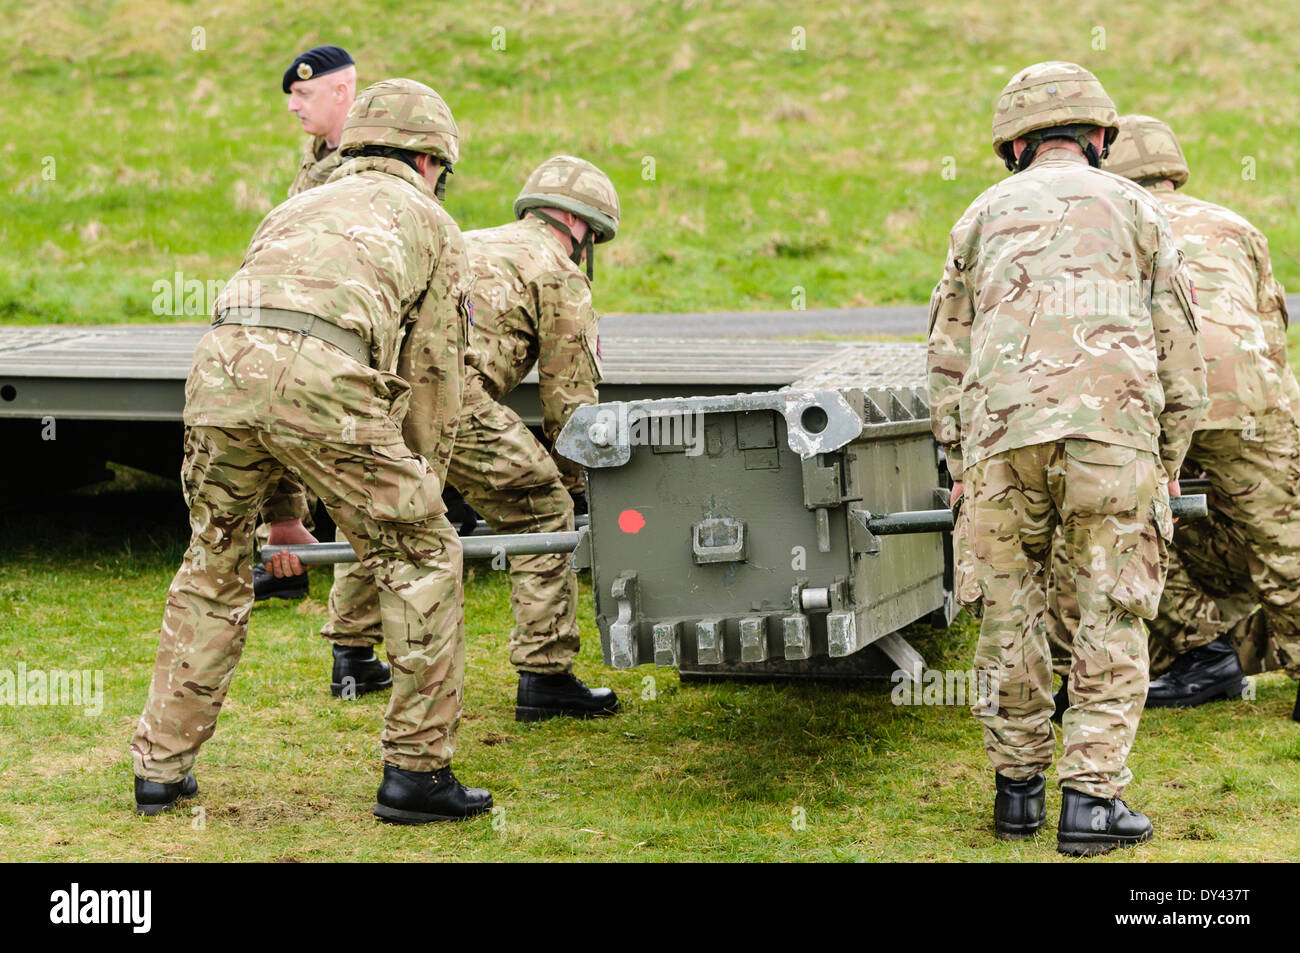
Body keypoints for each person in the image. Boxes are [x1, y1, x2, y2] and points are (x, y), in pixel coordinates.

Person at [130, 79, 491, 824]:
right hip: (322, 373)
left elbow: (263, 361)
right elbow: (432, 380)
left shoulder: (291, 206)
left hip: (218, 370)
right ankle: (417, 775)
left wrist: (287, 513)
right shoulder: (431, 221)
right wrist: (421, 489)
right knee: (423, 556)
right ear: (430, 163)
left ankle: (159, 770)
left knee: (212, 564)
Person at [928, 62, 1206, 856]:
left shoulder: (978, 214)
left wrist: (957, 454)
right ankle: (1091, 802)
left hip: (998, 445)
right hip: (1112, 440)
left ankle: (1016, 795)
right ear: (1099, 136)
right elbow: (1179, 352)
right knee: (1111, 611)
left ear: (1014, 143)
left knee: (1009, 617)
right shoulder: (1138, 208)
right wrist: (1170, 454)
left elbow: (945, 352)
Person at [322, 156, 623, 721]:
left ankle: (352, 654)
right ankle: (545, 676)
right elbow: (571, 400)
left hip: (384, 392)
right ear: (581, 225)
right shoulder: (559, 271)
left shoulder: (465, 239)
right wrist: (576, 482)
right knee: (540, 512)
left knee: (392, 505)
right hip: (454, 396)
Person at [1048, 114, 1300, 720]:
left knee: (1125, 531)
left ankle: (1175, 650)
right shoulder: (1237, 225)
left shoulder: (1106, 221)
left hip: (1156, 403)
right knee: (1285, 542)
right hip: (1252, 400)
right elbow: (1273, 328)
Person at [252, 45, 360, 603]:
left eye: (304, 93)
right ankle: (286, 539)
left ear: (342, 91)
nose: (294, 105)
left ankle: (358, 613)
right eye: (292, 95)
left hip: (350, 321)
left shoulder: (375, 153)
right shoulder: (319, 154)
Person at [285, 45, 358, 197]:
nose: (292, 106)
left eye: (304, 93)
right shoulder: (315, 147)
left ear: (339, 93)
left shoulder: (365, 162)